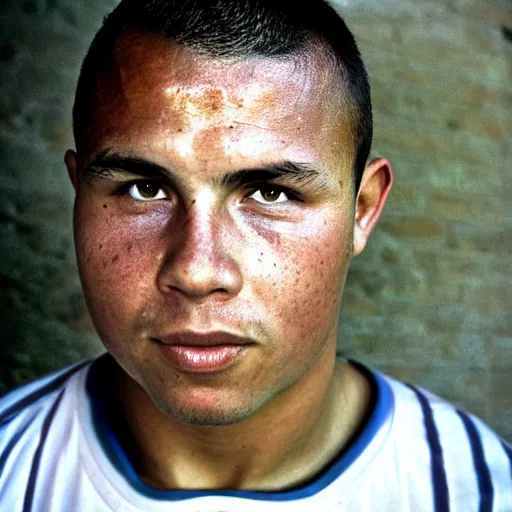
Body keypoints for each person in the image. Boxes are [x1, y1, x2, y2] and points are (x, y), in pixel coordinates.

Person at [0, 0, 510, 509]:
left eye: (271, 193)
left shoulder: (484, 492)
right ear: (78, 196)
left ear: (362, 209)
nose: (198, 272)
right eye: (143, 188)